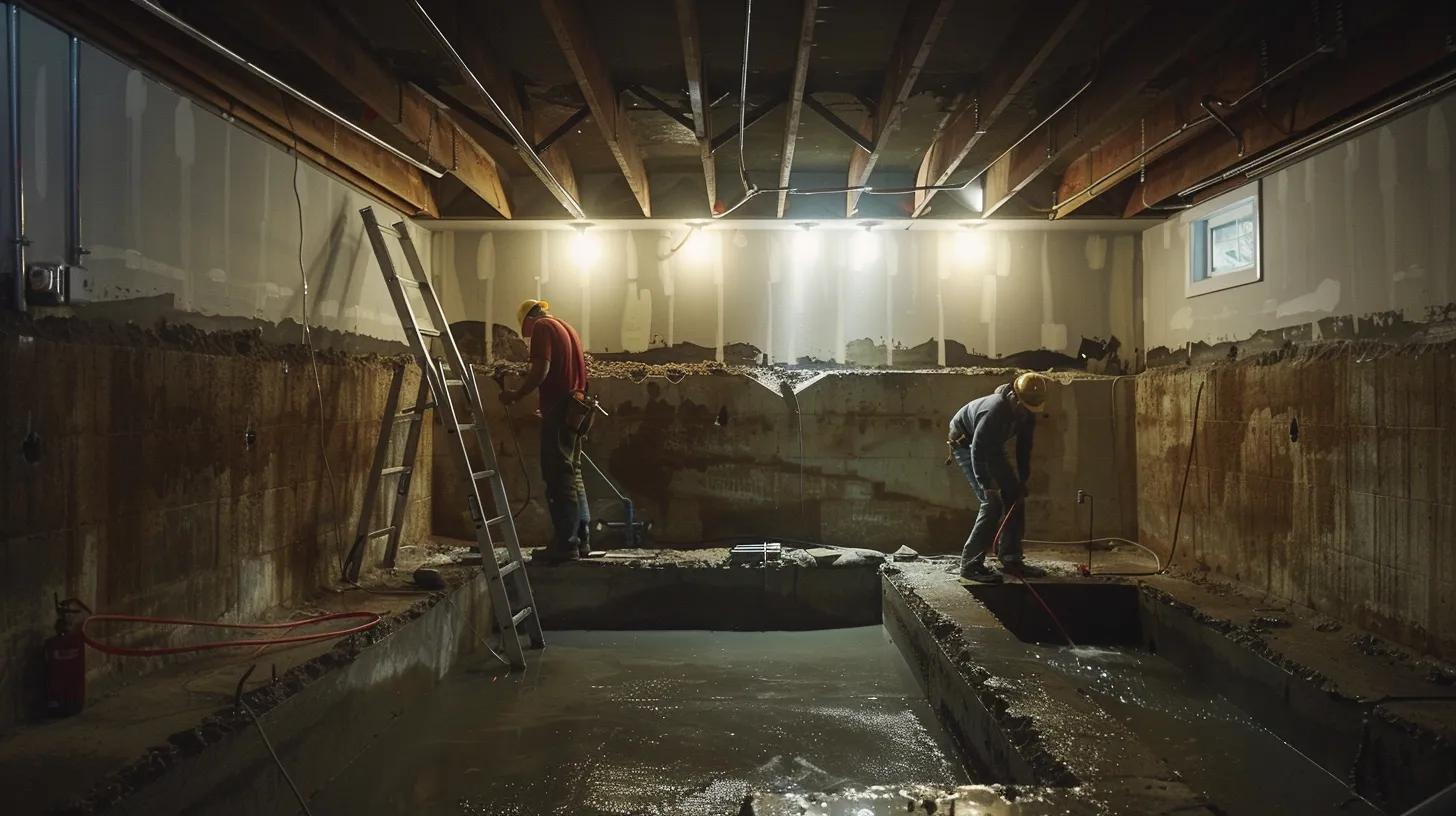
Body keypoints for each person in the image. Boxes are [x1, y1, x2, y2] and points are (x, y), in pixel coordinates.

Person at [500, 299, 591, 561]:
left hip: (562, 408)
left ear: (529, 319)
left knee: (557, 476)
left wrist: (517, 394)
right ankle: (581, 541)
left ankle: (566, 545)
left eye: (525, 332)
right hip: (576, 406)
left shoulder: (541, 327)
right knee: (573, 473)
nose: (528, 337)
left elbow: (542, 368)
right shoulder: (567, 328)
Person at [947, 372, 1050, 583]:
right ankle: (970, 565)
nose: (1026, 412)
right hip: (966, 445)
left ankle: (1011, 558)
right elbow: (977, 448)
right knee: (991, 503)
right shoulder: (995, 410)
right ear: (1014, 397)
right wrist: (986, 483)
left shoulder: (1026, 412)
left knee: (1015, 496)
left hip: (992, 446)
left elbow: (1024, 447)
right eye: (1023, 407)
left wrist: (1023, 479)